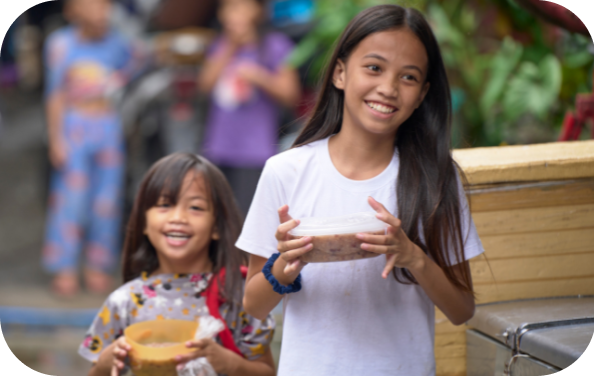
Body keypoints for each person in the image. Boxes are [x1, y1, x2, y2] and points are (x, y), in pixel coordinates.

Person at [239, 5, 485, 376]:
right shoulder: (285, 171)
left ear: (422, 94)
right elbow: (253, 305)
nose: (387, 88)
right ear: (340, 72)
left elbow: (462, 309)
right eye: (374, 67)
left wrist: (413, 257)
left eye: (408, 77)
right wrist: (284, 267)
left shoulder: (436, 178)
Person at [79, 153, 277, 376]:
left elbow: (268, 372)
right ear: (144, 222)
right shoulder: (123, 302)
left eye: (196, 208)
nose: (178, 217)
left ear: (216, 227)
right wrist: (105, 364)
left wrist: (231, 364)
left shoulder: (239, 295)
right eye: (165, 205)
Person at [42, 0, 137, 297]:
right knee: (72, 198)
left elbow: (140, 60)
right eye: (93, 4)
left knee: (106, 199)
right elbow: (55, 94)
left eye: (106, 5)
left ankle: (98, 264)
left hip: (108, 125)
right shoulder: (60, 44)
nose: (102, 11)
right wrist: (56, 138)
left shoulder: (118, 44)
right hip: (75, 126)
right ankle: (65, 266)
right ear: (73, 9)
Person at [198, 0, 301, 217]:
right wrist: (230, 47)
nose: (233, 14)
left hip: (255, 150)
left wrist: (259, 76)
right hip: (218, 147)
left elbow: (291, 94)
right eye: (228, 7)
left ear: (259, 10)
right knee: (216, 216)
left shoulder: (275, 45)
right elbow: (204, 85)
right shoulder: (220, 44)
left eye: (241, 6)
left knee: (247, 216)